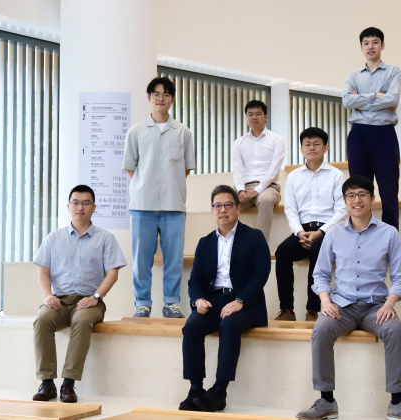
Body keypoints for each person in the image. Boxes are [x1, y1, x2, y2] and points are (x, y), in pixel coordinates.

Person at [296, 176, 401, 420]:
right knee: (321, 329)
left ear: (372, 198)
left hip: (376, 307)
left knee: (394, 330)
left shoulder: (389, 233)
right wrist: (326, 302)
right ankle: (326, 400)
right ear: (345, 201)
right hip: (341, 306)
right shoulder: (334, 234)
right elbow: (321, 275)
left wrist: (390, 304)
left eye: (362, 195)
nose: (356, 200)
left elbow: (400, 278)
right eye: (351, 196)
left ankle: (398, 404)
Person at [179, 185, 271, 412]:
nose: (223, 210)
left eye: (228, 205)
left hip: (245, 302)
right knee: (191, 327)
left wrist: (240, 301)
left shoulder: (254, 236)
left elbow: (262, 273)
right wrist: (198, 300)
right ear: (212, 210)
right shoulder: (205, 242)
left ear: (238, 209)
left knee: (229, 326)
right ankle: (196, 389)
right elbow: (195, 280)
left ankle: (219, 391)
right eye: (217, 206)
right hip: (213, 300)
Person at [32, 185, 127, 403]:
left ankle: (68, 383)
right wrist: (47, 296)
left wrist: (95, 296)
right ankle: (47, 383)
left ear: (94, 207)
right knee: (42, 319)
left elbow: (112, 274)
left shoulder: (105, 238)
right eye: (75, 202)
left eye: (86, 203)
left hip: (90, 302)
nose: (80, 207)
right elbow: (43, 272)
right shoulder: (53, 238)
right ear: (68, 206)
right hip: (59, 300)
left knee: (82, 321)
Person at [122, 76, 196, 318]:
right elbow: (130, 166)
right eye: (156, 93)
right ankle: (142, 303)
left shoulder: (183, 132)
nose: (160, 98)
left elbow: (185, 168)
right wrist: (145, 185)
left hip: (174, 205)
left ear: (172, 99)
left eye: (165, 94)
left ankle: (171, 303)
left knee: (173, 259)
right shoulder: (136, 131)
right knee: (141, 260)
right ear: (149, 97)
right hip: (142, 206)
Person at [274, 127, 346, 322]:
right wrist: (299, 232)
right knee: (282, 252)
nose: (311, 148)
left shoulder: (336, 175)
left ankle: (312, 310)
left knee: (317, 252)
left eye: (316, 144)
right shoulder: (294, 177)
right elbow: (290, 210)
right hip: (302, 230)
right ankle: (287, 310)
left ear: (326, 148)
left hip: (328, 230)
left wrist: (321, 232)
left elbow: (341, 210)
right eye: (307, 144)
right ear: (301, 148)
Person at [342, 26, 401, 230]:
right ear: (361, 47)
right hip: (358, 134)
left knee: (388, 190)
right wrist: (377, 97)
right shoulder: (353, 75)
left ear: (382, 45)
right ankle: (361, 235)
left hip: (384, 133)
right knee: (358, 190)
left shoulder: (393, 71)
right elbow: (346, 100)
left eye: (375, 42)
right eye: (366, 43)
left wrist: (361, 102)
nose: (370, 46)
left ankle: (391, 240)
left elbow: (393, 98)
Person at [231, 99, 286, 242]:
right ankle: (229, 242)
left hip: (269, 187)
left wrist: (258, 189)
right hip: (245, 186)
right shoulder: (239, 142)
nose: (254, 117)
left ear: (266, 117)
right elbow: (237, 168)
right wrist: (240, 190)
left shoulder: (277, 140)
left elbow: (274, 168)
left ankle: (260, 246)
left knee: (265, 199)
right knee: (225, 200)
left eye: (258, 114)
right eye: (250, 114)